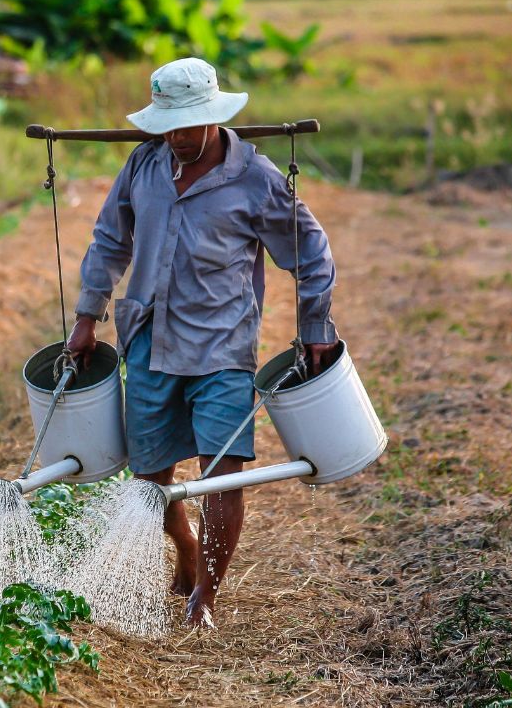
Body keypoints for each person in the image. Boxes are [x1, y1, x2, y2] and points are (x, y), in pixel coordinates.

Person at [65, 57, 339, 628]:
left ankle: (203, 600)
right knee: (150, 479)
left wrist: (314, 327)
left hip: (222, 347)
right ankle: (186, 548)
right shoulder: (143, 165)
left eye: (187, 126)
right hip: (148, 341)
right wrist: (87, 316)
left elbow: (311, 254)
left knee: (223, 473)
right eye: (167, 126)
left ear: (214, 118)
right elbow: (109, 240)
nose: (177, 138)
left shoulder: (256, 179)